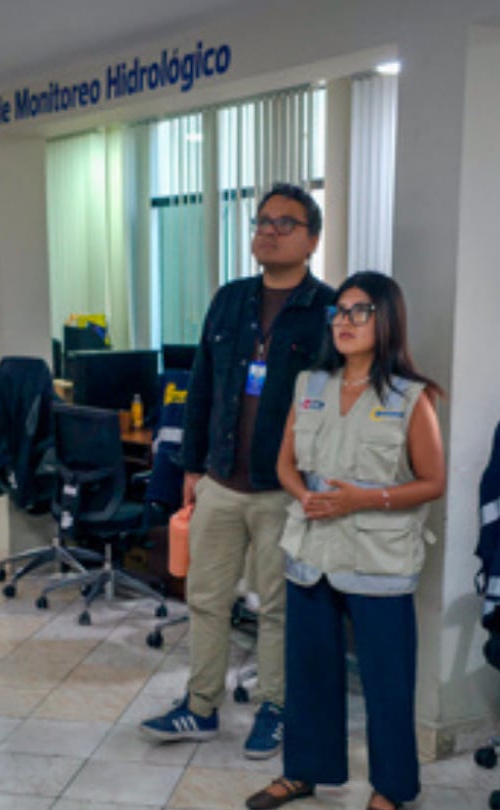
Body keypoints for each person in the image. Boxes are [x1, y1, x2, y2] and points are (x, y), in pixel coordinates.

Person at [140, 182, 336, 758]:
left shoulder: (326, 310)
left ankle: (275, 708)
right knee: (205, 596)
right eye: (262, 221)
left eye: (285, 223)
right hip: (221, 480)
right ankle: (200, 707)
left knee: (275, 607)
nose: (268, 231)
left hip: (284, 488)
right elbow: (201, 385)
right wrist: (191, 466)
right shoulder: (230, 299)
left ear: (312, 239)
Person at [242, 272, 445, 810]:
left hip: (378, 560)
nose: (344, 322)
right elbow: (286, 460)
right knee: (308, 671)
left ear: (387, 321)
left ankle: (391, 786)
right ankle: (304, 772)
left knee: (386, 679)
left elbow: (432, 481)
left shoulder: (411, 398)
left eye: (360, 312)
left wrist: (363, 499)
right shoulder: (311, 384)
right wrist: (303, 494)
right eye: (340, 311)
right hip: (312, 551)